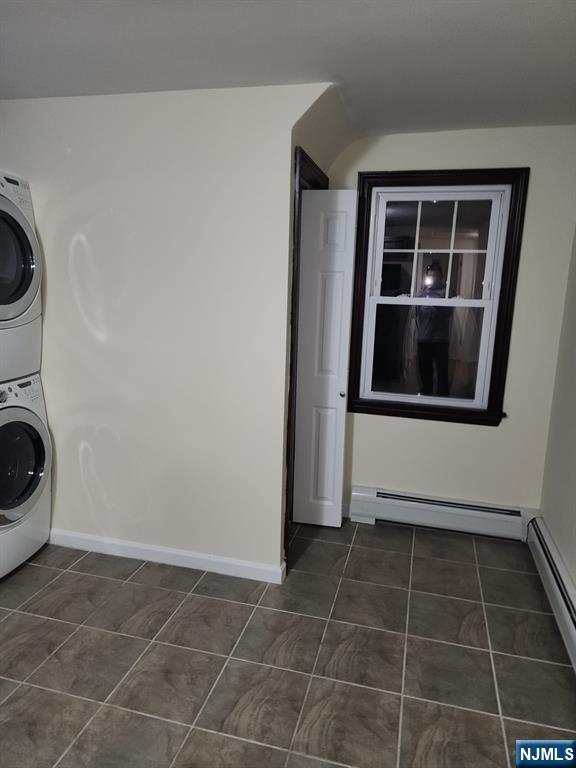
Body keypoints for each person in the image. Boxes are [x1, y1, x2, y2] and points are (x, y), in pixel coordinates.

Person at [416, 260, 452, 396]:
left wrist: (435, 305)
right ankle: (426, 394)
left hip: (440, 339)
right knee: (424, 370)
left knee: (442, 371)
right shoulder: (421, 293)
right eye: (430, 276)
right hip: (423, 338)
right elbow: (417, 314)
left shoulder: (446, 293)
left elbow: (449, 313)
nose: (433, 279)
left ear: (441, 277)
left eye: (435, 276)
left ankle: (442, 397)